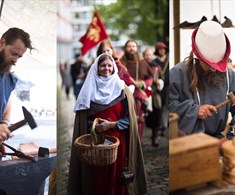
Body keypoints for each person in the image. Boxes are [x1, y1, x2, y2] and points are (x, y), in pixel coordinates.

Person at [67, 53, 147, 195]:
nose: (107, 68)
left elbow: (130, 119)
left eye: (110, 65)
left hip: (117, 143)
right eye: (103, 65)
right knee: (96, 178)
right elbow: (82, 121)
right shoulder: (88, 91)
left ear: (114, 68)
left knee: (116, 177)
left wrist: (111, 125)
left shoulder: (122, 90)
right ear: (97, 68)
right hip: (95, 143)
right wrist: (95, 126)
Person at [169, 21, 235, 140]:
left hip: (218, 140)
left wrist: (231, 134)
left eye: (217, 65)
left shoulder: (229, 75)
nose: (214, 70)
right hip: (187, 141)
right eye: (209, 64)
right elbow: (168, 108)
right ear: (197, 57)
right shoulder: (176, 74)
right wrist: (194, 110)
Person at [120, 39, 153, 140]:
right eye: (129, 46)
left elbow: (150, 78)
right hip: (124, 97)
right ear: (125, 48)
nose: (131, 48)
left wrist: (142, 84)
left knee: (139, 120)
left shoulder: (142, 62)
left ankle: (137, 142)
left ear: (136, 48)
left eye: (133, 46)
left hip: (139, 97)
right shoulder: (121, 63)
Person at [143, 48, 164, 146]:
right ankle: (140, 138)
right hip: (143, 93)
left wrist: (159, 82)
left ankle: (154, 138)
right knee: (142, 117)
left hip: (154, 93)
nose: (148, 57)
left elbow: (162, 78)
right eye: (146, 55)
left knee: (156, 116)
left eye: (150, 55)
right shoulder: (140, 66)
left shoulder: (157, 68)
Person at [152, 42, 169, 137]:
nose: (162, 50)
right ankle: (160, 126)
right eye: (160, 49)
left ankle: (164, 127)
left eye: (163, 49)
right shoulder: (154, 62)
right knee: (159, 107)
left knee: (166, 107)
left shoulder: (168, 60)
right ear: (157, 51)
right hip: (158, 88)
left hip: (168, 86)